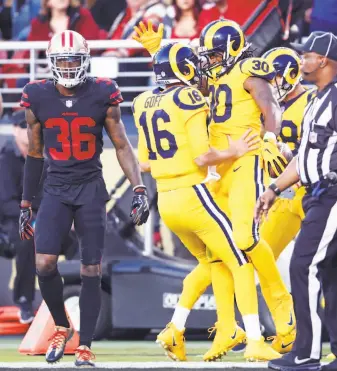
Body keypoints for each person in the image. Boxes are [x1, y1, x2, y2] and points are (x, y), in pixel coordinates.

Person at [132, 36, 281, 362]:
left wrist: (157, 53)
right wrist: (235, 150)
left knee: (211, 262)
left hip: (166, 201)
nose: (201, 69)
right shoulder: (187, 97)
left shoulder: (142, 101)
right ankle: (254, 340)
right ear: (185, 67)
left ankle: (175, 328)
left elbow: (142, 162)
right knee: (241, 259)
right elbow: (202, 157)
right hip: (193, 194)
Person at [19, 30, 149, 367]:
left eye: (72, 60)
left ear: (85, 59)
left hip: (90, 188)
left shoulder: (102, 92)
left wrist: (138, 187)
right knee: (44, 263)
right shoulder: (36, 95)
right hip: (55, 189)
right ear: (51, 62)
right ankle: (62, 326)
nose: (67, 66)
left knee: (91, 268)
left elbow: (122, 144)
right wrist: (25, 203)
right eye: (61, 60)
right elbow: (34, 154)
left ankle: (86, 345)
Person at [197, 19, 296, 351]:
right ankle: (227, 328)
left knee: (244, 237)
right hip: (218, 165)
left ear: (231, 48)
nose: (209, 61)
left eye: (213, 55)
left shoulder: (250, 69)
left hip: (245, 160)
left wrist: (270, 136)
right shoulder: (215, 75)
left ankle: (281, 301)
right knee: (219, 251)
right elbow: (190, 91)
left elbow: (271, 106)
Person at [255, 31, 337, 371]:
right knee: (330, 276)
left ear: (324, 61)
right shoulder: (317, 99)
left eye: (307, 54)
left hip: (332, 194)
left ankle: (307, 351)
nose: (301, 59)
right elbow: (304, 157)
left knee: (303, 265)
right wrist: (273, 189)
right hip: (316, 192)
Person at [260, 47, 315, 262]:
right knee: (260, 257)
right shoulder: (265, 106)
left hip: (310, 190)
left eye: (275, 78)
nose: (270, 85)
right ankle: (279, 298)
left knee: (321, 264)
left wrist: (288, 153)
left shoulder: (313, 100)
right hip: (280, 192)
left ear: (293, 73)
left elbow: (318, 144)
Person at [0, 110, 37, 324]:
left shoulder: (40, 158)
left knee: (73, 238)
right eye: (24, 127)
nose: (29, 131)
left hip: (37, 217)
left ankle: (73, 296)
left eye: (32, 126)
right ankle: (25, 300)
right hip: (9, 223)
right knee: (26, 240)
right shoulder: (5, 159)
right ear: (14, 130)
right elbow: (6, 204)